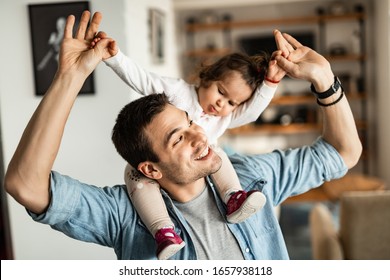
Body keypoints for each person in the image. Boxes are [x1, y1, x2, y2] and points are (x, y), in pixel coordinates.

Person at [4, 11, 362, 260]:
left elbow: (344, 152)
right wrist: (70, 77)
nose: (199, 135)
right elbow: (26, 185)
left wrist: (326, 80)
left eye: (190, 123)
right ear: (150, 169)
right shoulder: (125, 217)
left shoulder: (253, 180)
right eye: (177, 138)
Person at [90, 30, 286, 259]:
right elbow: (143, 79)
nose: (222, 104)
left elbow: (252, 112)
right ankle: (163, 231)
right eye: (221, 92)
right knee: (135, 175)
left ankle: (233, 197)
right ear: (207, 76)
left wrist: (271, 82)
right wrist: (115, 58)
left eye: (232, 102)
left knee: (218, 154)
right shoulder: (178, 92)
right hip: (156, 165)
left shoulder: (224, 117)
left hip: (199, 163)